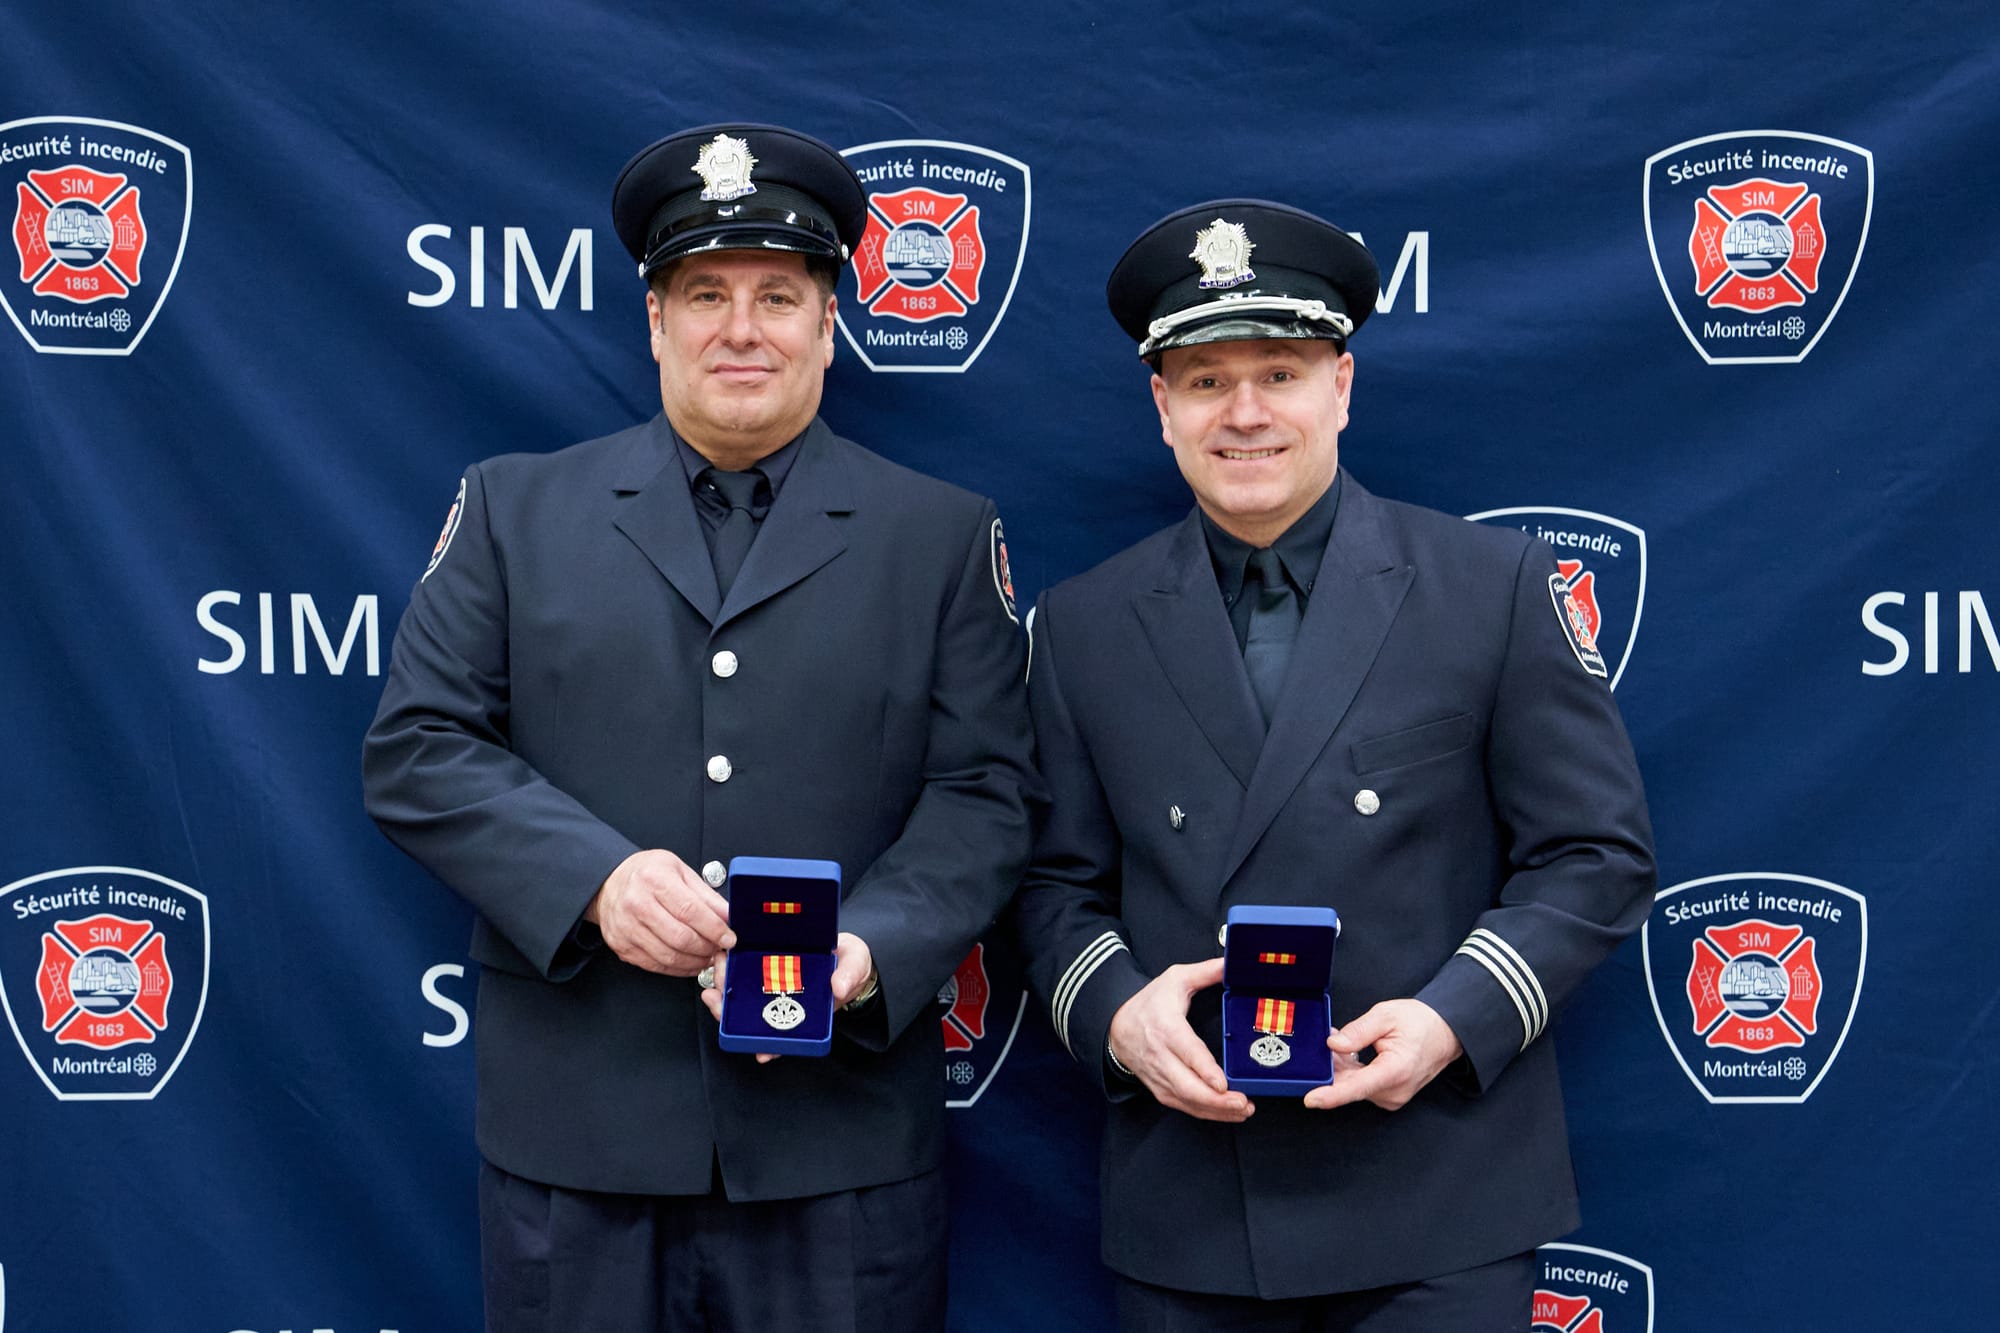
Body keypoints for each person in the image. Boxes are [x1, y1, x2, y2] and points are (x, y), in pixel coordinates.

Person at [362, 122, 1041, 1332]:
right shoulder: (513, 509)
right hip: (580, 1141)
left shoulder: (938, 536)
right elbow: (419, 749)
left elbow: (985, 792)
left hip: (839, 1143)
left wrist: (869, 948)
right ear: (655, 321)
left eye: (777, 296)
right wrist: (594, 880)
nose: (742, 328)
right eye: (705, 294)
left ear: (828, 323)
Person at [1013, 199, 1656, 1331]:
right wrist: (1114, 1013)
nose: (1244, 412)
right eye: (1206, 381)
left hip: (1438, 1199)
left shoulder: (1491, 587)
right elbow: (1050, 881)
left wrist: (1454, 1017)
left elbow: (1593, 855)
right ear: (1162, 406)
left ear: (1341, 386)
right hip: (1192, 1205)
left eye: (1281, 372)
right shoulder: (1083, 625)